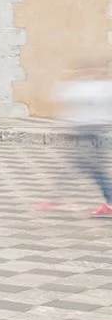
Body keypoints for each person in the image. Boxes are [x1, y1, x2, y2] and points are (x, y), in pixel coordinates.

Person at [49, 63, 112, 216]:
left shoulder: (93, 88)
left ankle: (110, 202)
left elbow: (62, 96)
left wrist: (67, 79)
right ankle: (57, 197)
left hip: (89, 131)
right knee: (80, 165)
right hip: (87, 130)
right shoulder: (94, 86)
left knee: (94, 169)